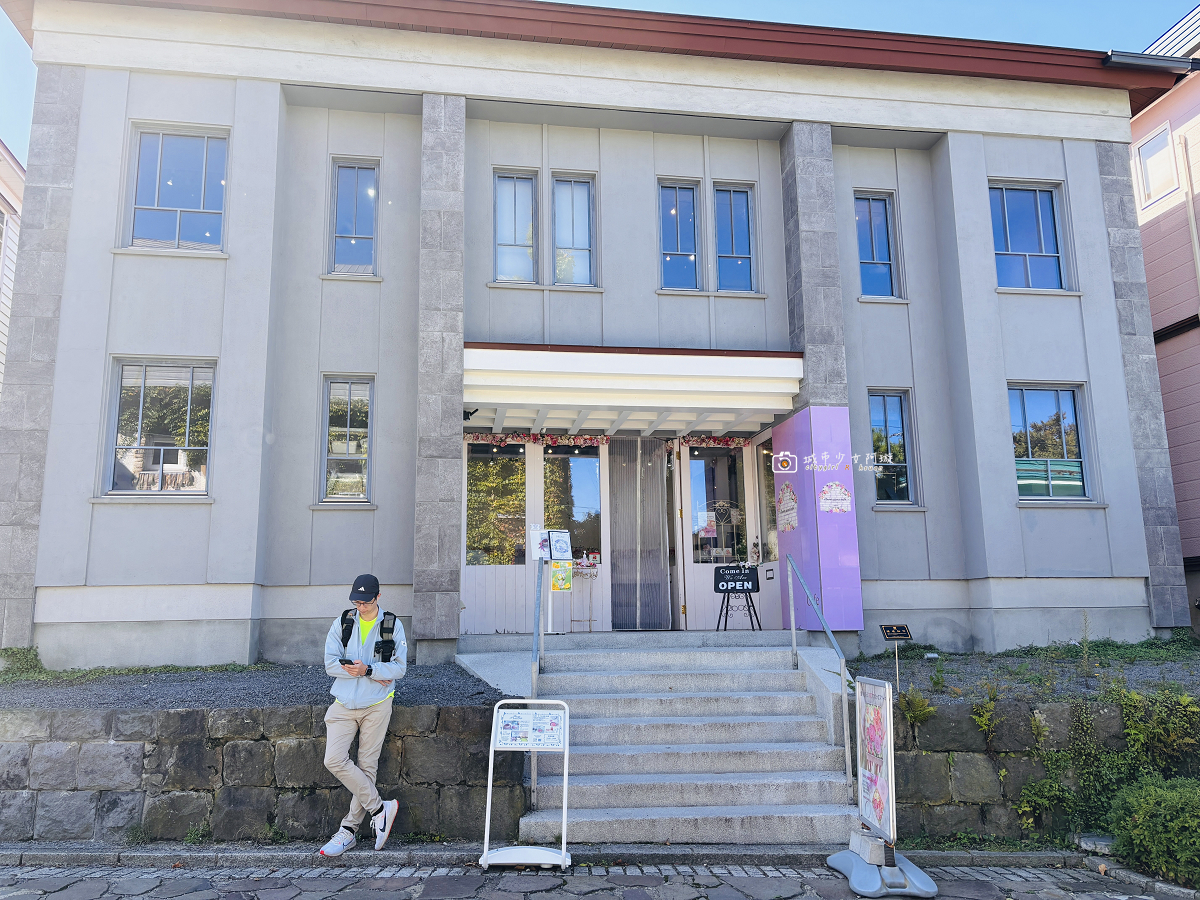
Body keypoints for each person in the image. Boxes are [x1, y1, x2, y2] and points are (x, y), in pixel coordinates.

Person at [319, 573, 406, 857]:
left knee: (367, 766)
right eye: (356, 601)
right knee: (333, 759)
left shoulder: (392, 625)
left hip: (377, 705)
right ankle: (381, 809)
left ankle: (348, 831)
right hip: (343, 702)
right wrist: (366, 672)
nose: (360, 606)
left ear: (377, 597)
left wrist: (367, 670)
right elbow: (330, 663)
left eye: (365, 602)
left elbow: (399, 669)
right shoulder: (343, 622)